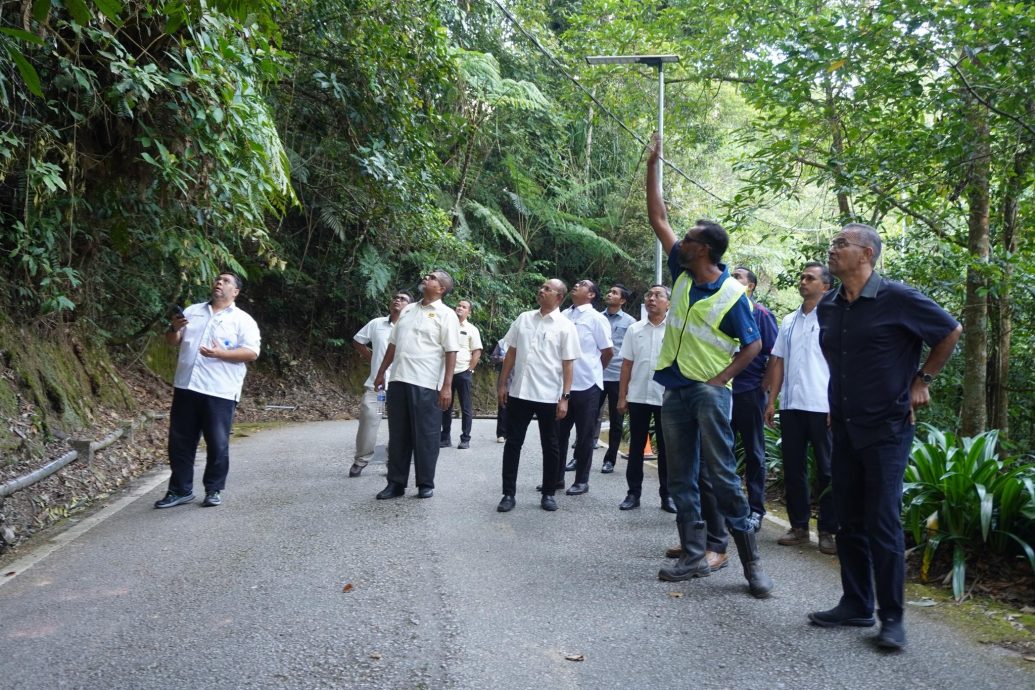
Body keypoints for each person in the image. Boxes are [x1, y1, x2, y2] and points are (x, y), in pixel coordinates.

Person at [809, 224, 961, 650]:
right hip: (843, 425)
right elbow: (835, 359)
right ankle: (856, 603)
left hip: (888, 428)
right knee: (848, 519)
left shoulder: (898, 297)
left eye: (842, 244)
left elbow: (950, 331)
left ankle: (891, 617)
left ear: (868, 254)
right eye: (834, 242)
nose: (833, 249)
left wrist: (922, 379)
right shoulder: (830, 305)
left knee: (883, 522)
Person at [646, 133, 773, 598]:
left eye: (691, 238)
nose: (681, 241)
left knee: (721, 475)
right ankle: (696, 554)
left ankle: (751, 564)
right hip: (675, 390)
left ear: (704, 249)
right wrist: (652, 165)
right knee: (681, 475)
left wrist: (721, 380)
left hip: (709, 391)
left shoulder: (732, 294)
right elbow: (656, 216)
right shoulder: (681, 273)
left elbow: (753, 344)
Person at [155, 272, 260, 509]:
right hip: (186, 386)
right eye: (217, 280)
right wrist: (173, 327)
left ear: (235, 292)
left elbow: (252, 352)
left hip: (220, 390)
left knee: (217, 442)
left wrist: (220, 354)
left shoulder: (243, 320)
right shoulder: (192, 311)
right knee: (180, 442)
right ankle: (180, 490)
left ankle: (213, 489)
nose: (219, 283)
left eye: (226, 281)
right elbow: (173, 341)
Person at [763, 263, 836, 552]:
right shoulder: (789, 320)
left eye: (810, 278)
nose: (803, 281)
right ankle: (799, 527)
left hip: (823, 406)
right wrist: (772, 401)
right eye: (802, 277)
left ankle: (829, 530)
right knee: (794, 469)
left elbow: (842, 364)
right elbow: (778, 360)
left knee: (828, 471)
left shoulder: (834, 318)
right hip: (792, 406)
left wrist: (838, 404)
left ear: (826, 286)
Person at [373, 270, 461, 500]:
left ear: (441, 289)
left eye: (432, 278)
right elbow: (393, 344)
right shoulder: (408, 310)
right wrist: (381, 372)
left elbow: (451, 351)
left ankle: (425, 483)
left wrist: (447, 386)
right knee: (398, 434)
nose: (426, 278)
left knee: (426, 435)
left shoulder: (446, 315)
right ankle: (396, 483)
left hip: (427, 382)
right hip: (399, 379)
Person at [496, 279, 580, 512]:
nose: (541, 291)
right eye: (541, 287)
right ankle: (508, 494)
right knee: (513, 443)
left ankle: (549, 493)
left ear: (559, 297)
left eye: (547, 289)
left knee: (551, 445)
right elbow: (511, 353)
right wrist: (502, 384)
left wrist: (565, 397)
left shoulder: (566, 326)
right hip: (520, 392)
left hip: (549, 395)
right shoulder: (524, 318)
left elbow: (568, 365)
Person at [616, 285, 675, 513]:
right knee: (637, 446)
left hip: (666, 397)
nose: (652, 299)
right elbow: (627, 364)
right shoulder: (635, 329)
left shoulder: (675, 329)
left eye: (658, 295)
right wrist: (623, 396)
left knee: (667, 451)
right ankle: (633, 494)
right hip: (638, 395)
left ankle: (667, 496)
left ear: (668, 303)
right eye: (649, 295)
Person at [730, 266, 778, 520]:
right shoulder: (723, 309)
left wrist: (764, 387)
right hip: (723, 391)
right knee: (722, 450)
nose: (731, 279)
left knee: (754, 451)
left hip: (750, 391)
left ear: (751, 286)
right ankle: (728, 506)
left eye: (737, 276)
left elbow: (774, 354)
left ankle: (756, 509)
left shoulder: (762, 314)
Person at [349, 291, 412, 478]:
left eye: (403, 299)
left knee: (399, 426)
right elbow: (358, 341)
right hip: (378, 387)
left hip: (402, 385)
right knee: (370, 419)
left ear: (410, 306)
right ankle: (360, 460)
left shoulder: (412, 327)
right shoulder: (377, 324)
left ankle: (394, 462)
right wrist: (372, 358)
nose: (398, 300)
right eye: (396, 298)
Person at [559, 279, 613, 495]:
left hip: (588, 385)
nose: (576, 285)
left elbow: (607, 352)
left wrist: (594, 370)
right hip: (563, 385)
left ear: (591, 294)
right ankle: (555, 478)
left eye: (582, 284)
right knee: (559, 434)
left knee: (584, 435)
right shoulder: (564, 315)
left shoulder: (597, 319)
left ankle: (582, 480)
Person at [599, 284, 637, 474]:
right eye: (610, 291)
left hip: (617, 376)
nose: (609, 294)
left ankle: (610, 460)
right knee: (588, 419)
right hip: (595, 375)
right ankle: (579, 457)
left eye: (614, 293)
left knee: (616, 420)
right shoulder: (597, 317)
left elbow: (632, 353)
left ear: (622, 300)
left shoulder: (630, 322)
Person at [441, 299, 483, 450]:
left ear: (469, 312)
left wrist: (470, 370)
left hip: (463, 372)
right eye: (458, 305)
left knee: (466, 407)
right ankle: (445, 437)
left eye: (464, 307)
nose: (460, 308)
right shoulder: (446, 325)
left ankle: (465, 438)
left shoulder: (472, 329)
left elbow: (477, 351)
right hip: (446, 373)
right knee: (445, 406)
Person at [490, 340, 510, 443]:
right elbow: (493, 358)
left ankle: (511, 432)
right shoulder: (502, 343)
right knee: (503, 404)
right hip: (504, 377)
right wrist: (502, 359)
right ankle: (501, 433)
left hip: (518, 378)